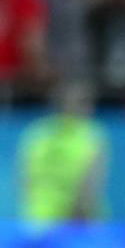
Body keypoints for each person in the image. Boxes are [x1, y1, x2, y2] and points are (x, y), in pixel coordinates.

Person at [18, 82, 108, 226]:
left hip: (38, 221)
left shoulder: (36, 132)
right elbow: (90, 183)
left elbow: (24, 180)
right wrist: (81, 214)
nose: (91, 108)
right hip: (78, 222)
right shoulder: (92, 134)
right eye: (84, 102)